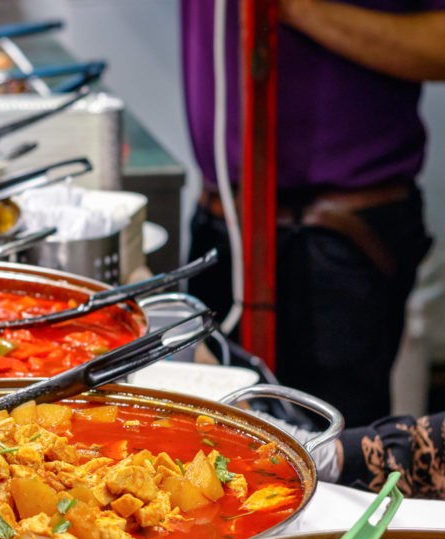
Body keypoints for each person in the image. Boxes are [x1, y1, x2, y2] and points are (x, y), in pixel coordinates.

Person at [181, 0, 444, 427]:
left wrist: (296, 10)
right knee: (207, 434)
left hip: (339, 235)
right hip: (223, 219)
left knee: (330, 455)